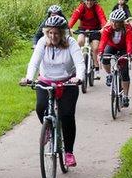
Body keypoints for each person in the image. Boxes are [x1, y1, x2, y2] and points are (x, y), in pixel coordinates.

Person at [20, 15, 84, 167]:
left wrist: (79, 77)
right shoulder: (42, 43)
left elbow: (80, 63)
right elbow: (34, 62)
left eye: (56, 33)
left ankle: (68, 152)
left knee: (67, 115)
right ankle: (48, 128)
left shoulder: (71, 43)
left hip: (67, 82)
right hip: (46, 81)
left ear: (62, 33)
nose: (53, 36)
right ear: (46, 32)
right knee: (40, 107)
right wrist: (29, 78)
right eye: (50, 33)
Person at [98, 9, 132, 107]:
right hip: (111, 46)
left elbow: (129, 41)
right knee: (105, 58)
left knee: (124, 71)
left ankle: (126, 96)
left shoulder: (127, 28)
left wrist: (129, 54)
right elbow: (103, 41)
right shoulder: (108, 27)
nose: (114, 24)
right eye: (112, 21)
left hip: (123, 48)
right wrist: (100, 52)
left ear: (122, 22)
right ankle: (109, 74)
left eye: (117, 22)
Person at [68, 0, 107, 79]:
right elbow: (74, 17)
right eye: (87, 0)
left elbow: (102, 18)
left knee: (95, 48)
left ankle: (96, 68)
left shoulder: (97, 8)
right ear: (84, 0)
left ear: (94, 0)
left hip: (95, 30)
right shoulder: (81, 7)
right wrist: (69, 27)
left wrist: (103, 28)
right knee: (79, 42)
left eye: (91, 0)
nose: (89, 2)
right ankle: (79, 62)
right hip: (83, 29)